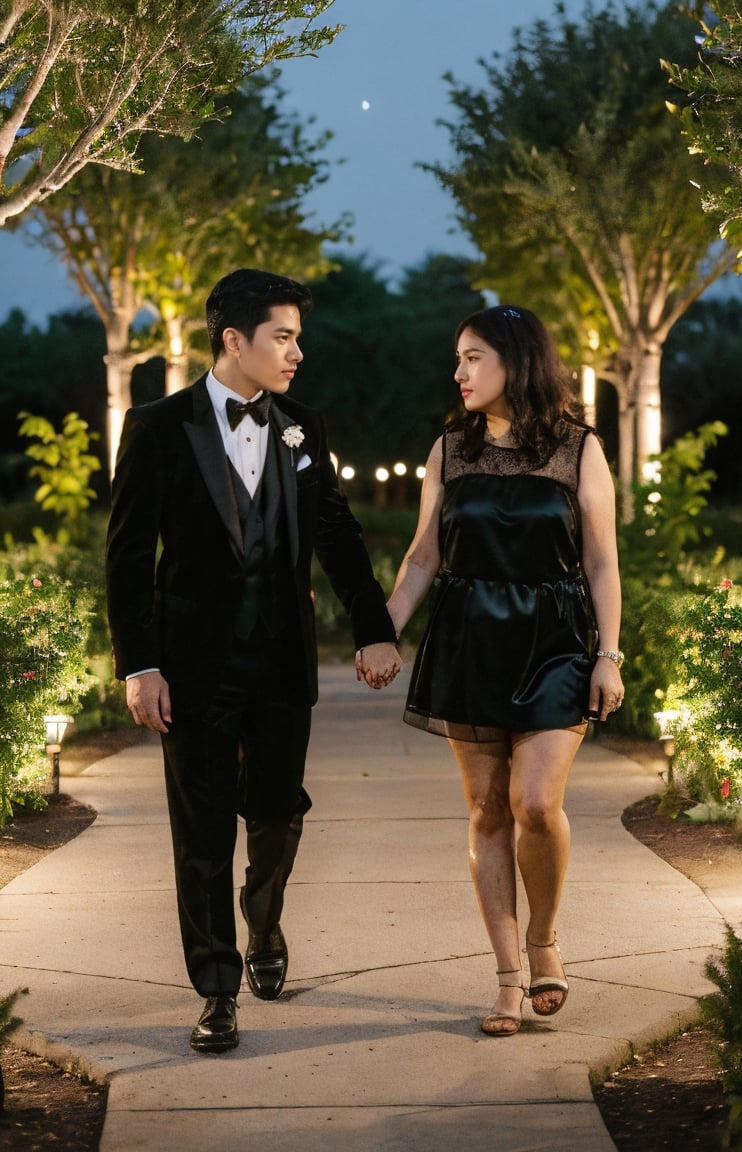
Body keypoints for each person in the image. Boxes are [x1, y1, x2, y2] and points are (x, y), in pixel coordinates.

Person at [106, 268, 401, 1054]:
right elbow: (128, 558)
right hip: (190, 664)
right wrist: (140, 665)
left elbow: (336, 533)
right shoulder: (158, 427)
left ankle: (263, 920)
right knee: (200, 830)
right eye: (283, 335)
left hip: (280, 662)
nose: (296, 351)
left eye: (298, 337)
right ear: (233, 339)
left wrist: (374, 627)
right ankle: (215, 988)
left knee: (276, 812)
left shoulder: (304, 426)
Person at [384, 304, 623, 1036]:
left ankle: (544, 937)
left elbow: (601, 559)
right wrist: (382, 634)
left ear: (516, 362)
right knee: (487, 808)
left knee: (534, 804)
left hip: (554, 641)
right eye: (457, 358)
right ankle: (508, 979)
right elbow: (425, 555)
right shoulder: (449, 451)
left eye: (472, 357)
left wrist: (608, 654)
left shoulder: (578, 448)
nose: (458, 372)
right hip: (468, 639)